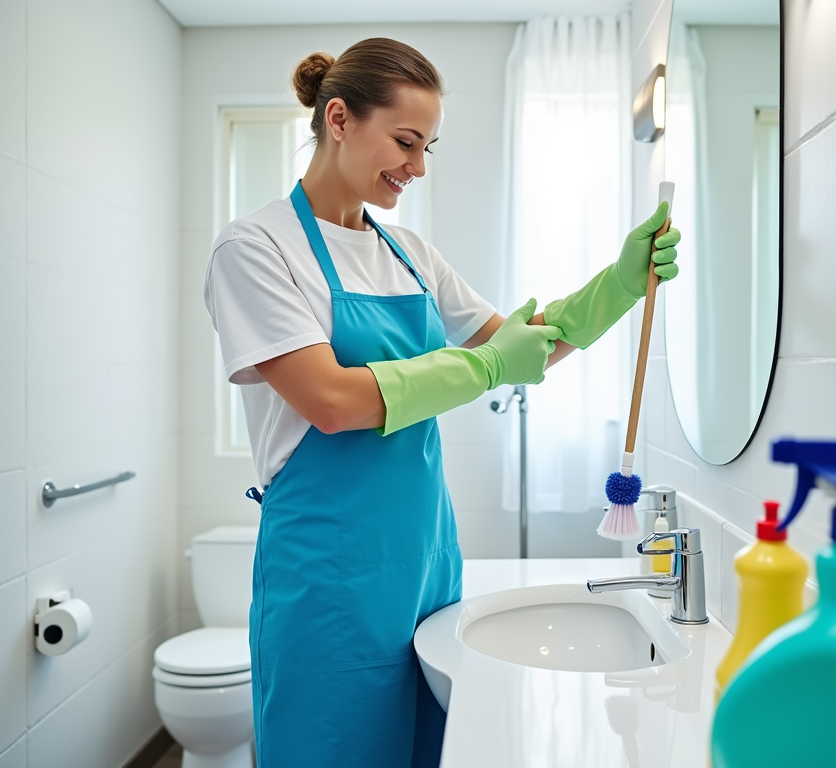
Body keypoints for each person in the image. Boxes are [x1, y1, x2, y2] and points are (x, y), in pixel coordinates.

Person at [203, 37, 680, 768]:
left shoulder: (411, 254)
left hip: (427, 564)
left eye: (427, 146)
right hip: (328, 578)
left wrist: (616, 285)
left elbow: (528, 345)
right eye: (404, 141)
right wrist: (486, 366)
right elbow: (330, 399)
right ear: (338, 118)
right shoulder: (257, 249)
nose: (417, 167)